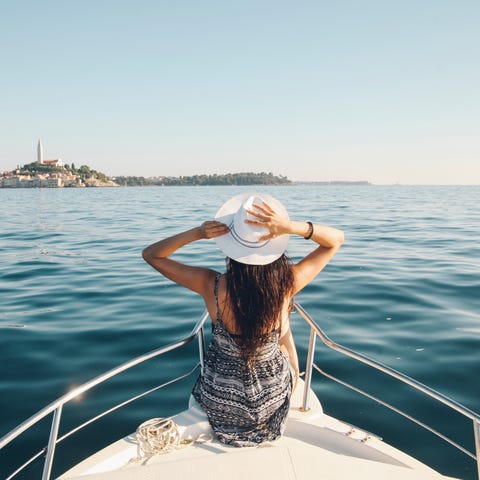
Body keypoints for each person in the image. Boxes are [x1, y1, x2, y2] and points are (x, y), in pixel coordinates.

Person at [142, 193, 344, 447]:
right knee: (284, 334)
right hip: (271, 398)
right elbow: (336, 240)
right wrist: (290, 227)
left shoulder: (210, 285)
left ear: (231, 246)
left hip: (221, 399)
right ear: (276, 243)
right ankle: (294, 367)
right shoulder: (287, 284)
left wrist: (198, 233)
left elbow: (151, 255)